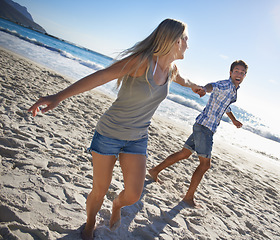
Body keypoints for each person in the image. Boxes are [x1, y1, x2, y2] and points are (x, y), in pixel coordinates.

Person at [28, 19, 205, 240]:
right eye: (186, 39)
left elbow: (183, 79)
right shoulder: (141, 62)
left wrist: (195, 86)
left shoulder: (171, 69)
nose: (188, 44)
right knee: (99, 190)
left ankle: (117, 206)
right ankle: (90, 224)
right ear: (175, 40)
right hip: (109, 134)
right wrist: (58, 97)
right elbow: (101, 76)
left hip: (137, 138)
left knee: (132, 195)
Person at [149, 60, 248, 207]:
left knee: (184, 153)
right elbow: (212, 86)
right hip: (205, 128)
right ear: (230, 72)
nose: (239, 74)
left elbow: (225, 106)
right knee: (205, 165)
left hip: (202, 126)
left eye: (242, 72)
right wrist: (203, 88)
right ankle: (188, 197)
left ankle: (154, 170)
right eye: (237, 71)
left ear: (245, 75)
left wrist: (233, 120)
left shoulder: (233, 91)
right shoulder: (225, 85)